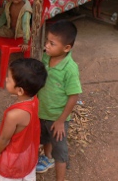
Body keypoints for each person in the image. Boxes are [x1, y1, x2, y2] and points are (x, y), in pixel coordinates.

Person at [35, 20, 82, 181]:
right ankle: (47, 158)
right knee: (45, 138)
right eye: (47, 41)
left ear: (66, 48)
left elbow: (74, 96)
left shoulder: (70, 69)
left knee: (60, 152)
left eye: (52, 43)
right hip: (42, 112)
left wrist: (61, 120)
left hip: (57, 118)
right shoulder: (46, 57)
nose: (46, 45)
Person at [0, 58, 47, 181]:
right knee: (28, 174)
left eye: (9, 78)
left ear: (20, 90)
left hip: (14, 157)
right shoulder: (34, 100)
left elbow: (4, 139)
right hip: (28, 152)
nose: (6, 79)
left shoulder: (14, 115)